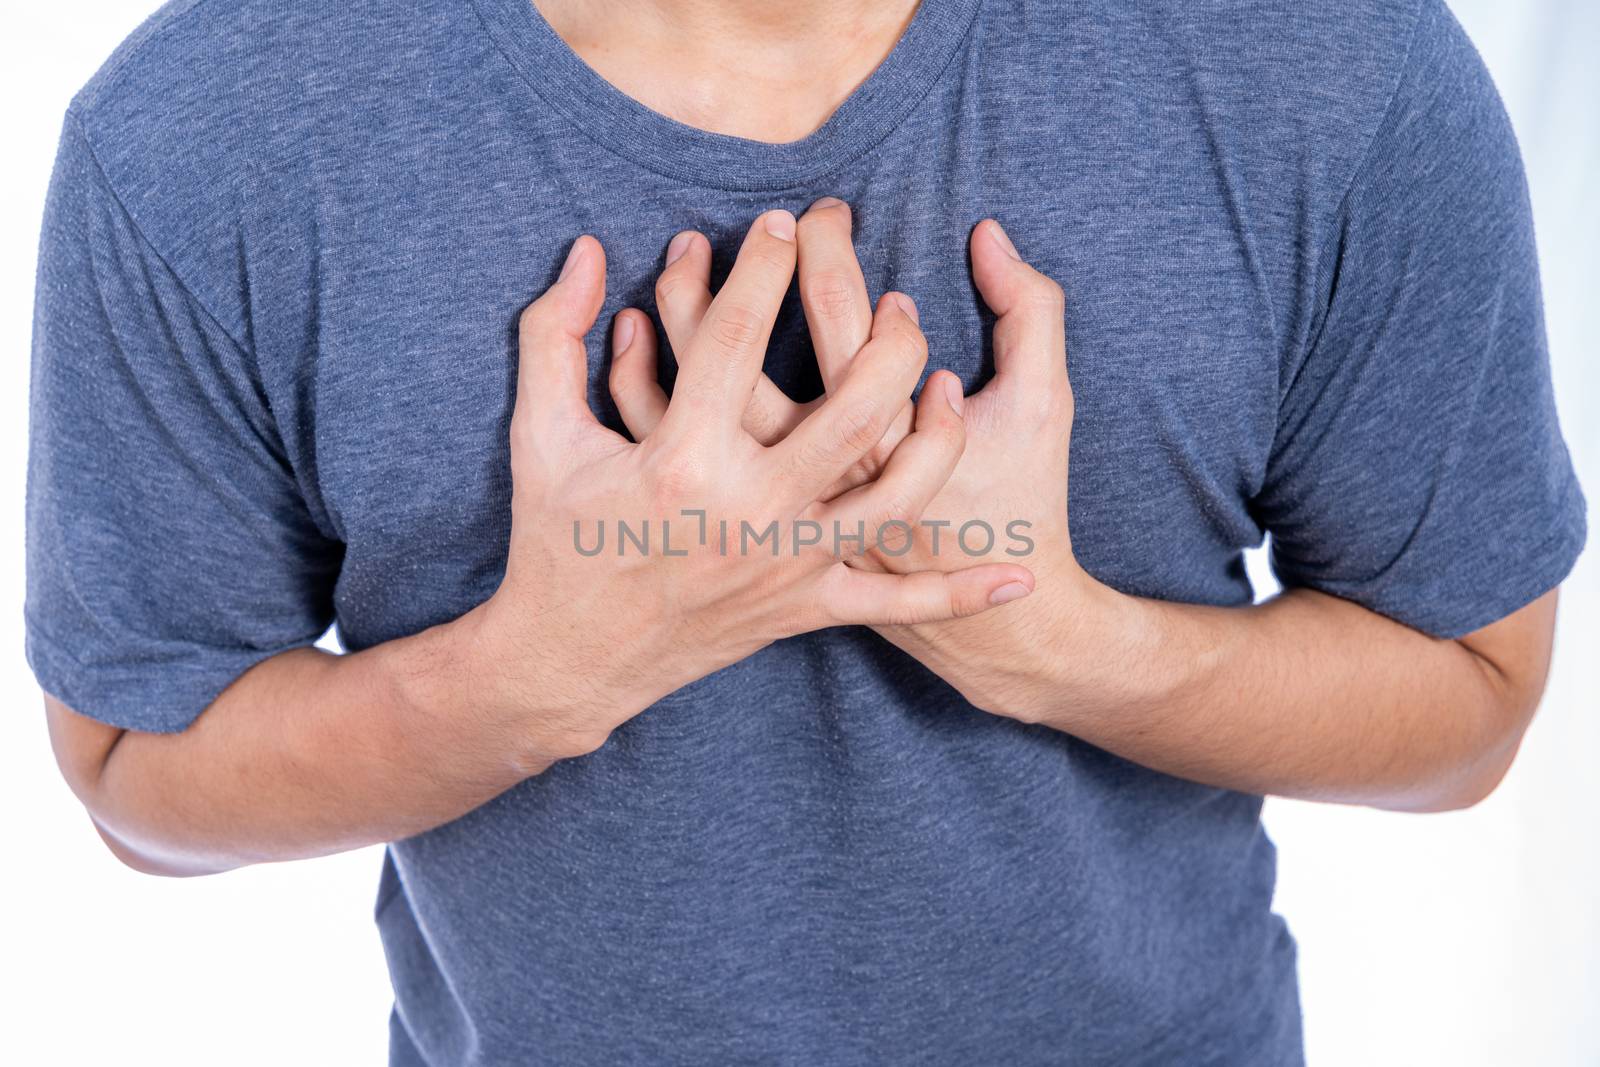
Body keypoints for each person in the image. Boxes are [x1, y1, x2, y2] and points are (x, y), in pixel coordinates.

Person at [26, 0, 1586, 1062]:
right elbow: (134, 775)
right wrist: (538, 674)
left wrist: (1058, 640)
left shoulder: (1328, 65)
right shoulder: (199, 134)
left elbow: (1471, 705)